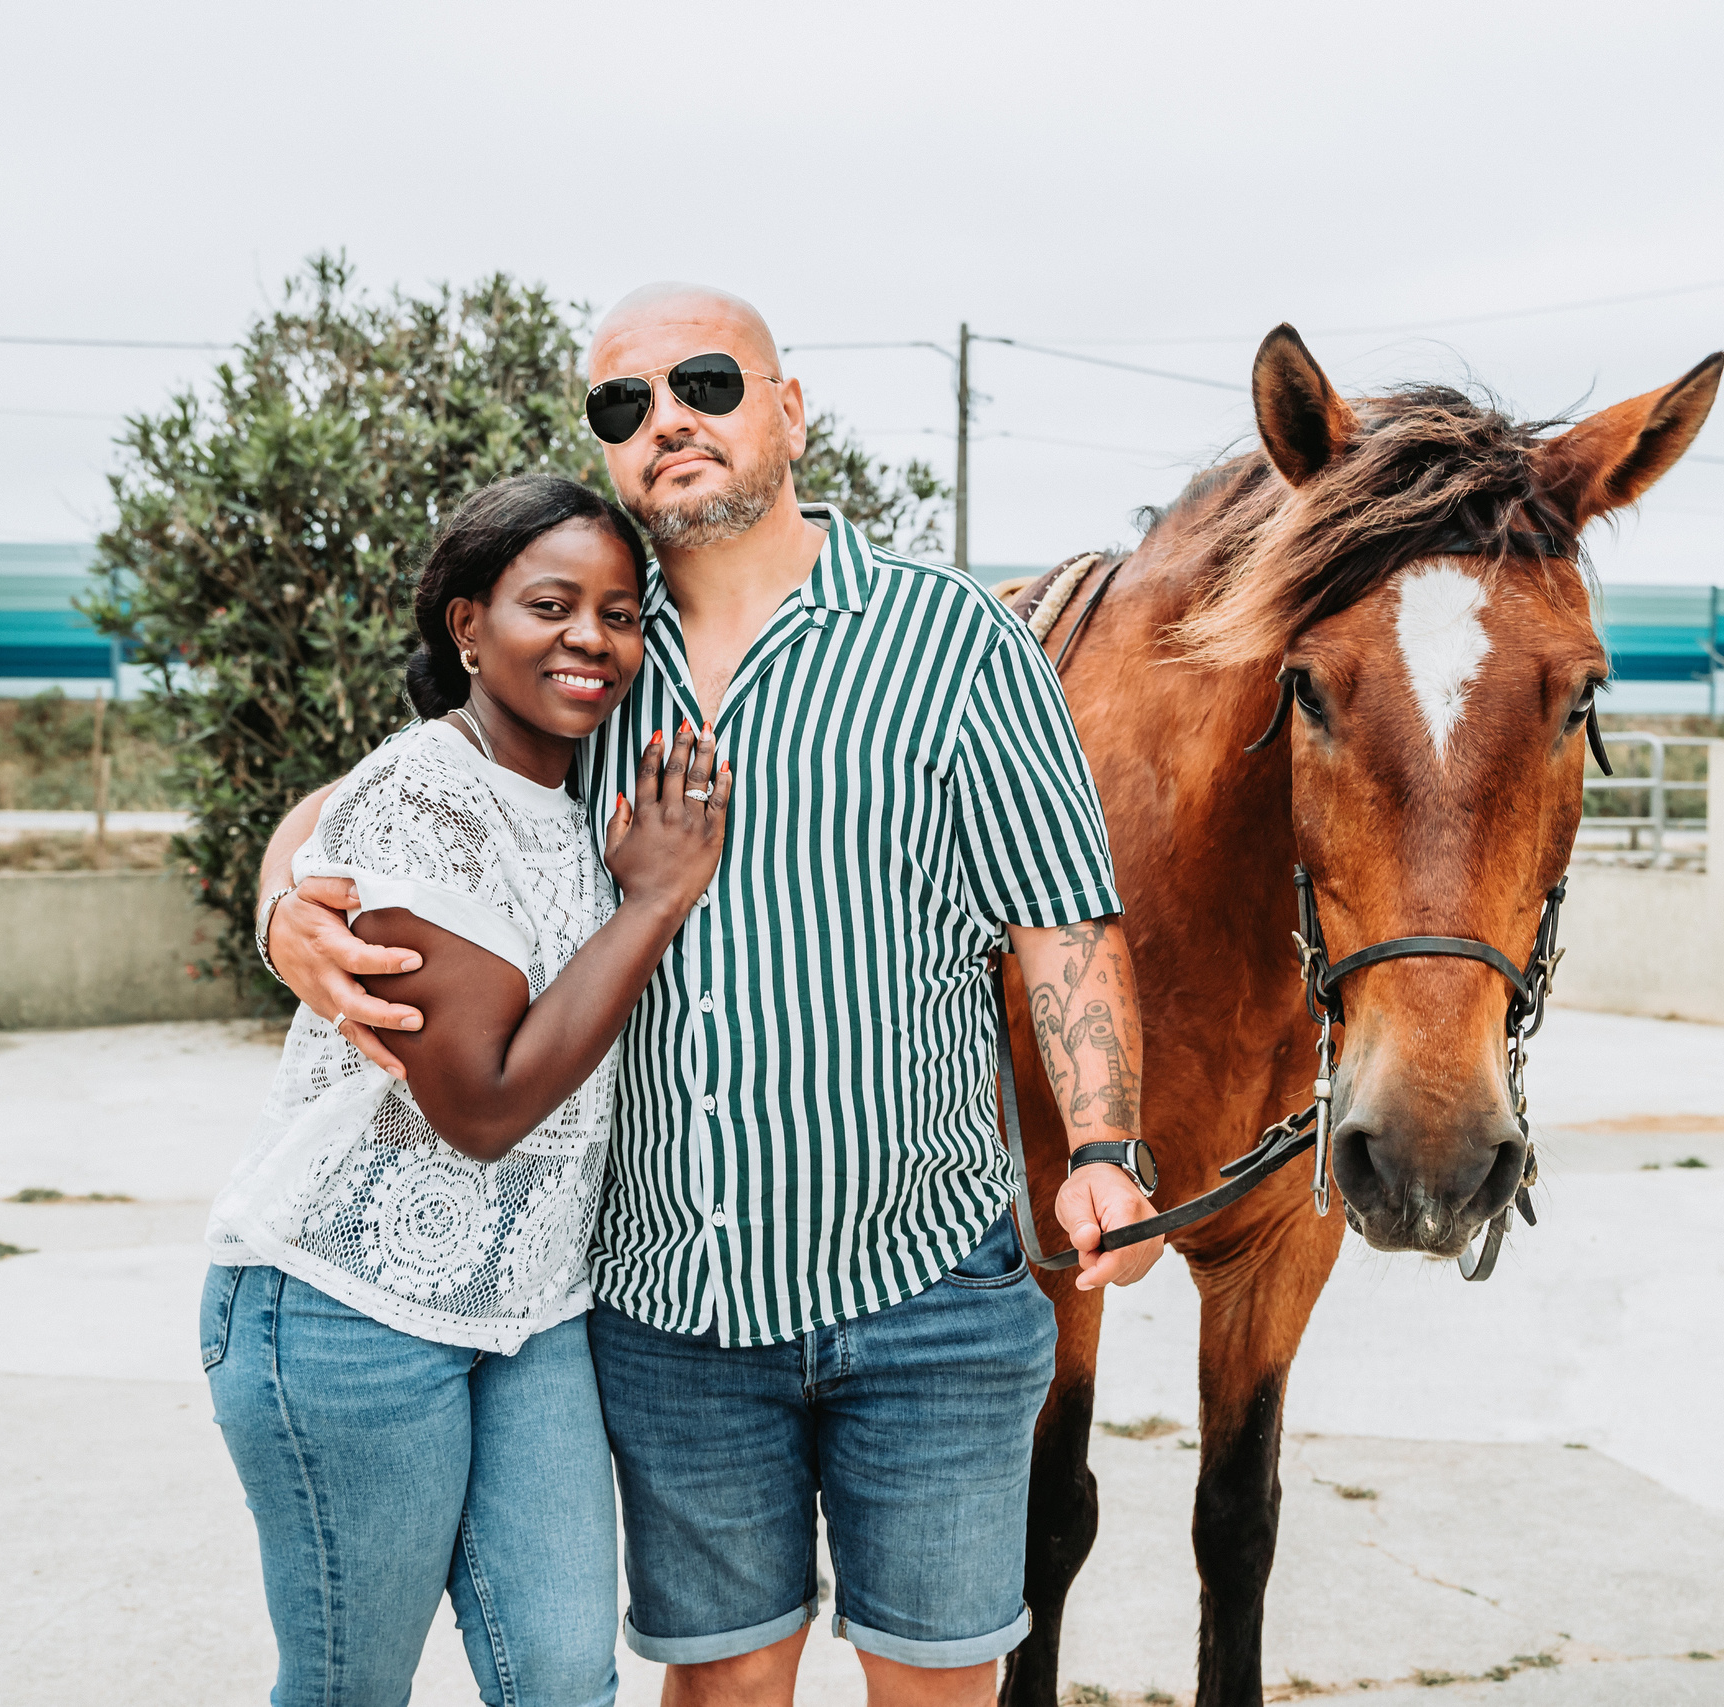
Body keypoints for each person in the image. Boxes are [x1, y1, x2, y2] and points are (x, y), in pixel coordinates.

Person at [262, 284, 1161, 1707]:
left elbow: (1063, 919)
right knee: (726, 1682)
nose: (665, 417)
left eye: (703, 382)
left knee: (936, 1685)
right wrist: (278, 903)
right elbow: (382, 793)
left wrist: (1107, 1144)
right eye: (623, 404)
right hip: (671, 1305)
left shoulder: (956, 644)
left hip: (924, 1284)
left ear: (788, 412)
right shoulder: (590, 648)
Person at [204, 473, 731, 1707]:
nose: (590, 639)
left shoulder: (585, 788)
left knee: (558, 1674)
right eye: (550, 604)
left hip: (531, 1306)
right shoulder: (425, 792)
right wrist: (657, 900)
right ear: (466, 625)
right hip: (344, 1306)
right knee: (350, 1686)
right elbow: (483, 1109)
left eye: (618, 612)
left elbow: (311, 812)